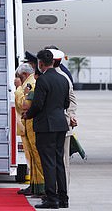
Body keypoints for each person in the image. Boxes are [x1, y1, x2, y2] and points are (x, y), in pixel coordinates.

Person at [24, 49, 70, 209]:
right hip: (60, 125)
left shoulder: (43, 80)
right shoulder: (63, 79)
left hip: (46, 126)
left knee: (48, 162)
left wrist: (28, 115)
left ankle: (51, 198)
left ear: (41, 63)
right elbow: (66, 104)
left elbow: (38, 104)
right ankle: (63, 198)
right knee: (59, 162)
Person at [47, 48, 78, 188]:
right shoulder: (48, 75)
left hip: (62, 124)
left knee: (63, 161)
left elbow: (72, 100)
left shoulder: (64, 76)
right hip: (52, 125)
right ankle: (53, 191)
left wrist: (71, 115)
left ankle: (62, 192)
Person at [15, 60, 45, 198]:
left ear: (25, 74)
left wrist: (19, 89)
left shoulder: (29, 83)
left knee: (36, 156)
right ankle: (35, 185)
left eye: (20, 77)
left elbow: (24, 104)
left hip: (32, 125)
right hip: (29, 125)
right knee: (31, 156)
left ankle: (40, 187)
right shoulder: (32, 81)